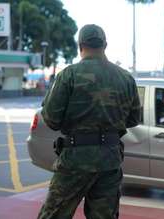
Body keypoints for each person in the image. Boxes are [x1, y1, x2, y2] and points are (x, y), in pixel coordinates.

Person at [37, 24, 141, 219]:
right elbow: (134, 119)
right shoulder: (125, 78)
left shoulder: (69, 75)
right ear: (105, 45)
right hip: (110, 160)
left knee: (53, 215)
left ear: (80, 46)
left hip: (75, 160)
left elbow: (51, 119)